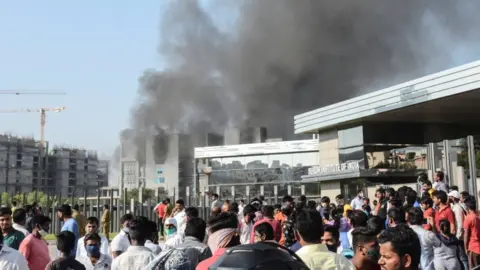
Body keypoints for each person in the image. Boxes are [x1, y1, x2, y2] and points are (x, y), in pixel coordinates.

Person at [463, 196, 480, 269]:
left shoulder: (468, 218)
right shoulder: (477, 217)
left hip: (473, 247)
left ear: (467, 208)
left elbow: (466, 235)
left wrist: (465, 247)